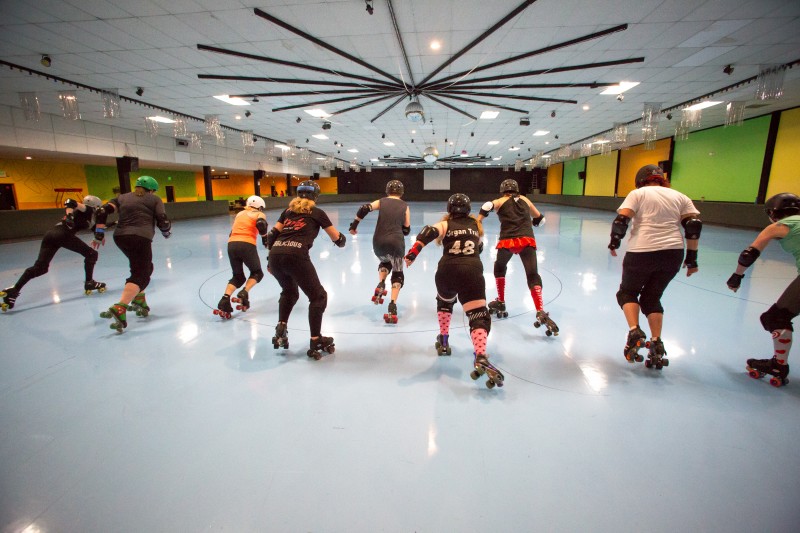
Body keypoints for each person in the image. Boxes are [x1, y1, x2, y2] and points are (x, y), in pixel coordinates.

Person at [405, 193, 503, 389]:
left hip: (447, 270)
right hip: (472, 271)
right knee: (479, 316)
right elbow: (478, 247)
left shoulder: (446, 224)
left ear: (449, 209)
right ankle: (481, 355)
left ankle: (443, 340)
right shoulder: (476, 225)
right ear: (468, 209)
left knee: (445, 302)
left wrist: (414, 251)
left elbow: (429, 231)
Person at [608, 164, 701, 368]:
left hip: (642, 250)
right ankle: (657, 343)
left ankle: (634, 332)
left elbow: (622, 220)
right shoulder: (679, 196)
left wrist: (614, 242)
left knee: (627, 293)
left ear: (640, 180)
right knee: (652, 297)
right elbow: (693, 227)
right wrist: (692, 258)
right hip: (673, 253)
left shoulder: (638, 193)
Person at [265, 180, 346, 359]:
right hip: (296, 255)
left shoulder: (287, 211)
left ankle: (281, 326)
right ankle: (316, 339)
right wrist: (342, 239)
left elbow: (272, 234)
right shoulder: (317, 212)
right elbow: (336, 238)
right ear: (315, 196)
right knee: (318, 297)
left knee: (289, 292)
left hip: (276, 255)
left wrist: (270, 261)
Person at [727, 192, 800, 387]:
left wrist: (737, 276)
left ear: (774, 213)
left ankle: (778, 365)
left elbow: (749, 254)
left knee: (776, 318)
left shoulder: (779, 226)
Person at [476, 178, 557, 336]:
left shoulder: (500, 201)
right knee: (532, 275)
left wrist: (478, 220)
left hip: (508, 240)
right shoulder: (526, 200)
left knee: (499, 268)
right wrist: (534, 222)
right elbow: (541, 219)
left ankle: (501, 301)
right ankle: (540, 310)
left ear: (503, 190)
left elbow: (487, 206)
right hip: (527, 239)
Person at [93, 175, 172, 333]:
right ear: (151, 189)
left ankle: (140, 299)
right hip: (140, 237)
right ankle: (121, 306)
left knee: (140, 267)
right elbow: (162, 219)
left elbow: (101, 211)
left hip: (120, 237)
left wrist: (99, 233)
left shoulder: (121, 198)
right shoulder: (154, 199)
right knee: (142, 273)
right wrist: (166, 232)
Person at [1, 195, 106, 311]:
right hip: (63, 235)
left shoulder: (87, 217)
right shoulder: (87, 209)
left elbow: (96, 229)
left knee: (41, 267)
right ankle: (89, 282)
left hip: (51, 235)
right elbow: (70, 201)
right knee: (91, 254)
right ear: (95, 206)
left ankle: (14, 290)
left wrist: (104, 232)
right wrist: (69, 215)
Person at [348, 179, 411, 323]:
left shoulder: (381, 201)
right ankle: (392, 304)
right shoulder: (405, 206)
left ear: (387, 191)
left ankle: (381, 282)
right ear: (401, 192)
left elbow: (364, 208)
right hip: (396, 243)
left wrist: (354, 225)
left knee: (384, 261)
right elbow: (407, 229)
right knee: (397, 272)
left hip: (378, 242)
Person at [214, 195, 269, 319]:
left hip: (231, 244)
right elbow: (261, 224)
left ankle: (225, 299)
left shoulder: (240, 214)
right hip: (247, 244)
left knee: (238, 276)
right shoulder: (258, 214)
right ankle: (244, 292)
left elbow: (231, 231)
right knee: (257, 273)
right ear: (259, 207)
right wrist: (265, 239)